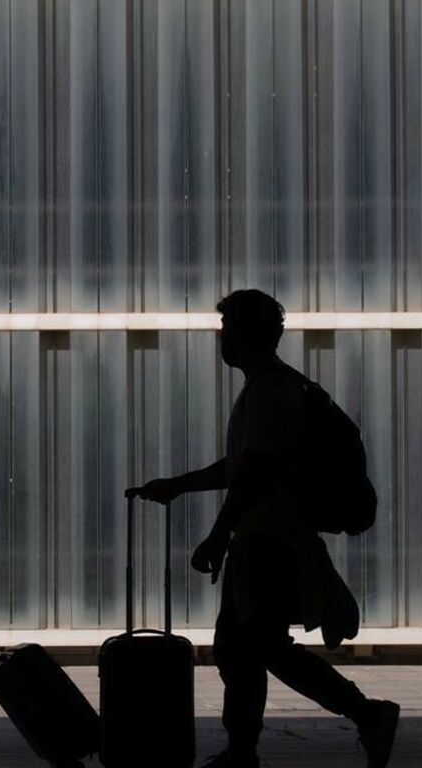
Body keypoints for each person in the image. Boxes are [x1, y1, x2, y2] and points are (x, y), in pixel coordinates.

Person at [127, 289, 400, 768]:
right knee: (239, 651)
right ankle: (246, 748)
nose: (222, 338)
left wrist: (216, 534)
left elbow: (253, 474)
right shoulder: (269, 388)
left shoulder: (272, 392)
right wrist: (178, 485)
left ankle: (363, 713)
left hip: (269, 542)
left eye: (226, 328)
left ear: (244, 334)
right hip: (259, 540)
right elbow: (239, 466)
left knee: (257, 648)